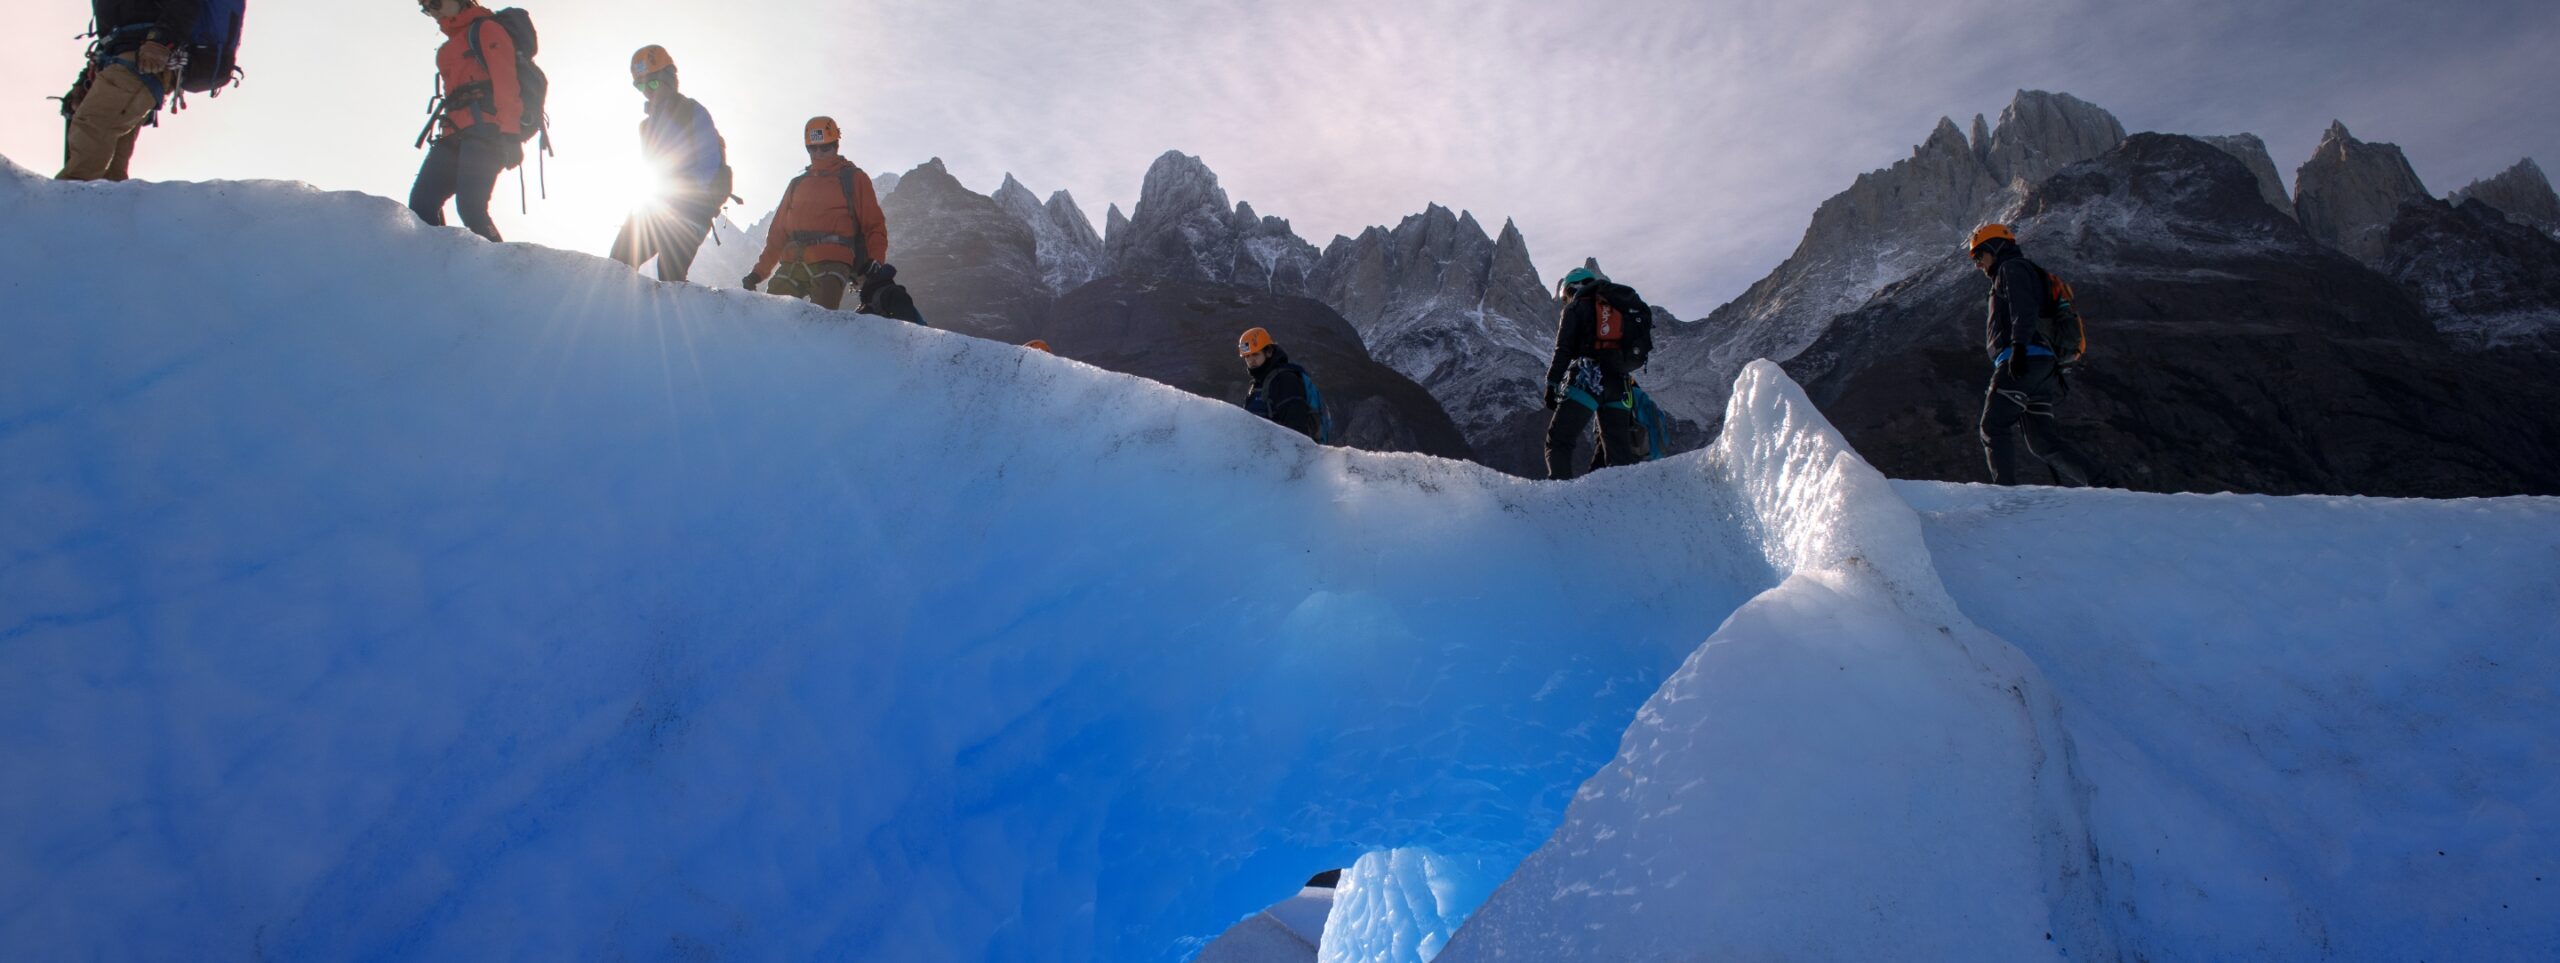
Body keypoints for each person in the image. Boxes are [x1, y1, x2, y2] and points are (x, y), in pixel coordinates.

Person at [1968, 223, 2103, 487]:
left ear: (1995, 247)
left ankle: (2005, 496)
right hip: (2043, 368)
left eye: (1978, 255)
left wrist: (2018, 347)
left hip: (2022, 360)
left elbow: (2023, 308)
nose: (1977, 264)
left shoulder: (2011, 269)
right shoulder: (2023, 270)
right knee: (2043, 443)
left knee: (1992, 427)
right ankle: (2104, 483)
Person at [742, 117, 889, 310]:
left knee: (821, 318)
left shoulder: (854, 178)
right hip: (793, 261)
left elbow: (874, 224)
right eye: (813, 148)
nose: (818, 153)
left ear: (836, 145)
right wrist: (758, 273)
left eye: (825, 147)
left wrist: (876, 259)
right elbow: (778, 233)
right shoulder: (797, 184)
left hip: (833, 262)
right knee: (770, 315)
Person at [409, 0, 526, 242]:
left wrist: (511, 135)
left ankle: (505, 270)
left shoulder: (486, 29)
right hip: (451, 134)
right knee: (421, 203)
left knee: (471, 208)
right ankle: (434, 264)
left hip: (487, 131)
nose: (432, 10)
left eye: (435, 2)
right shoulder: (446, 49)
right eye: (425, 7)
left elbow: (506, 82)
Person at [609, 45, 727, 282]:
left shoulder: (692, 112)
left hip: (692, 209)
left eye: (651, 83)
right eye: (640, 86)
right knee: (617, 263)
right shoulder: (645, 127)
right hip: (657, 207)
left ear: (670, 79)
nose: (647, 92)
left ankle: (681, 315)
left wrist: (679, 190)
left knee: (670, 274)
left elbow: (710, 164)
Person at [58, 0, 197, 182]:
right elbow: (111, 37)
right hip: (126, 63)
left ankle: (69, 200)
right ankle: (102, 204)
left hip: (140, 62)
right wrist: (84, 80)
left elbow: (185, 5)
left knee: (92, 125)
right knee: (111, 165)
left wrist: (160, 41)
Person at [1542, 267, 1646, 479]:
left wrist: (1552, 384)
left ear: (1572, 288)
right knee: (1618, 451)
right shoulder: (1618, 306)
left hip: (1588, 379)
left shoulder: (1575, 307)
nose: (1567, 301)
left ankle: (1561, 498)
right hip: (1619, 384)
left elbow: (1563, 349)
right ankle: (1622, 501)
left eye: (1566, 297)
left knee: (1559, 440)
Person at [1239, 327, 1323, 442]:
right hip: (1263, 454)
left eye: (1255, 354)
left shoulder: (1285, 380)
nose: (1251, 361)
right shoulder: (1257, 384)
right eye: (1247, 356)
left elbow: (1296, 428)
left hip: (1281, 455)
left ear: (1268, 352)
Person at [856, 262, 925, 324]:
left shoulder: (893, 293)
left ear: (869, 278)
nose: (857, 285)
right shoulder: (871, 299)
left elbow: (909, 327)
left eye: (859, 280)